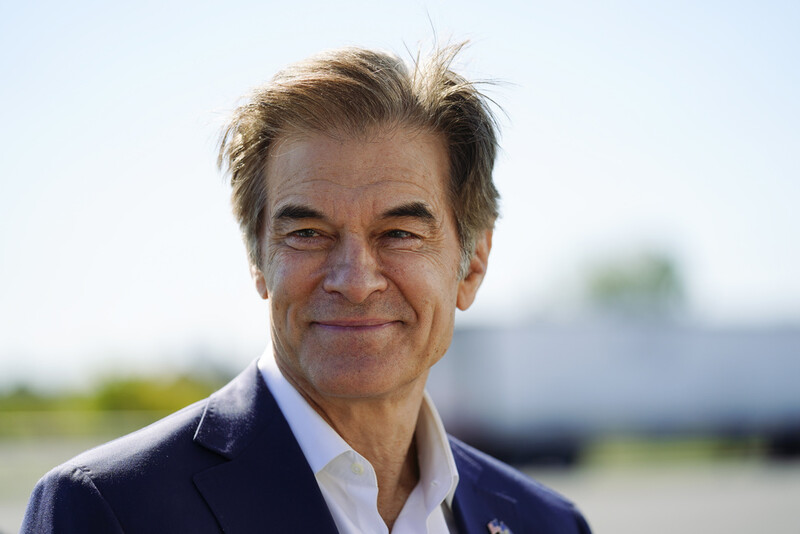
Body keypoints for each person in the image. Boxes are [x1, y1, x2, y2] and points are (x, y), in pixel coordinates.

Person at [22, 44, 591, 534]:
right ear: (258, 258)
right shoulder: (109, 510)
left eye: (398, 233)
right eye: (308, 233)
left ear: (472, 265)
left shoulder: (547, 523)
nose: (354, 280)